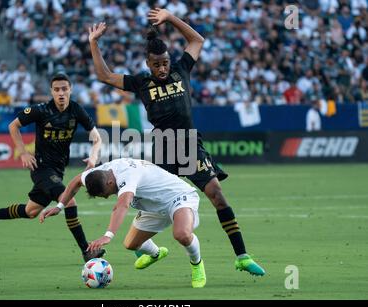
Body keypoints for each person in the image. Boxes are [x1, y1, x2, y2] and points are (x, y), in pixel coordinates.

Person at [88, 8, 265, 275]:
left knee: (217, 195)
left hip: (190, 145)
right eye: (156, 64)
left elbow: (197, 41)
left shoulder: (181, 69)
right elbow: (105, 76)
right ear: (148, 64)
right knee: (152, 202)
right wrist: (93, 43)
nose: (162, 68)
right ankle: (149, 249)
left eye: (165, 63)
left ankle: (241, 255)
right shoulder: (141, 83)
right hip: (164, 149)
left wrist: (171, 18)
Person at [0, 73, 105, 262]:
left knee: (31, 211)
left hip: (58, 170)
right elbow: (13, 126)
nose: (61, 93)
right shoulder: (41, 110)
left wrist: (93, 158)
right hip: (42, 168)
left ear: (70, 90)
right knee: (69, 201)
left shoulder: (77, 110)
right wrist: (23, 152)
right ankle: (86, 250)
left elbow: (97, 137)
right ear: (51, 92)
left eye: (64, 89)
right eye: (57, 90)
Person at [40, 158, 207, 288]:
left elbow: (122, 205)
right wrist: (60, 206)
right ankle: (156, 253)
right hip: (152, 207)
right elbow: (75, 182)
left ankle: (197, 265)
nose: (105, 197)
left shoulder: (127, 176)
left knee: (182, 234)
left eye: (104, 194)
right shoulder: (97, 174)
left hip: (177, 197)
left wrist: (108, 235)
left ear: (110, 183)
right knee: (131, 244)